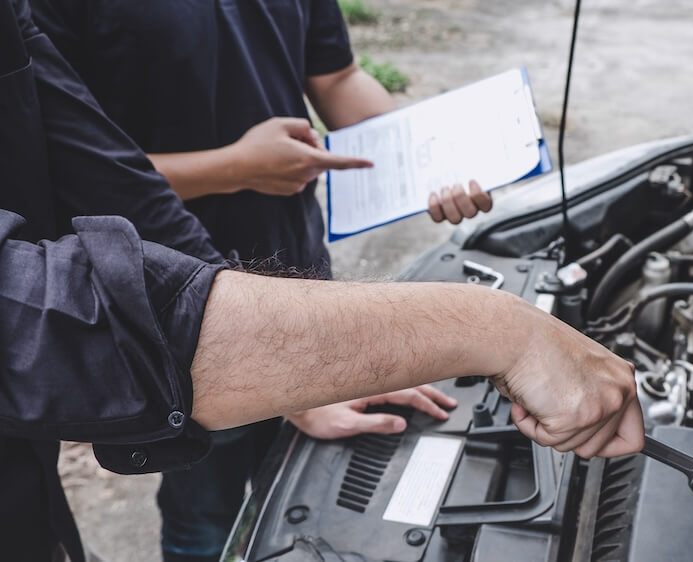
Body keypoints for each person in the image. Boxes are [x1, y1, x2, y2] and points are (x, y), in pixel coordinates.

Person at [3, 1, 565, 559]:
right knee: (205, 518)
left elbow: (338, 75)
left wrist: (426, 158)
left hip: (294, 276)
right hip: (174, 317)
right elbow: (76, 164)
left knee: (318, 499)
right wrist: (234, 166)